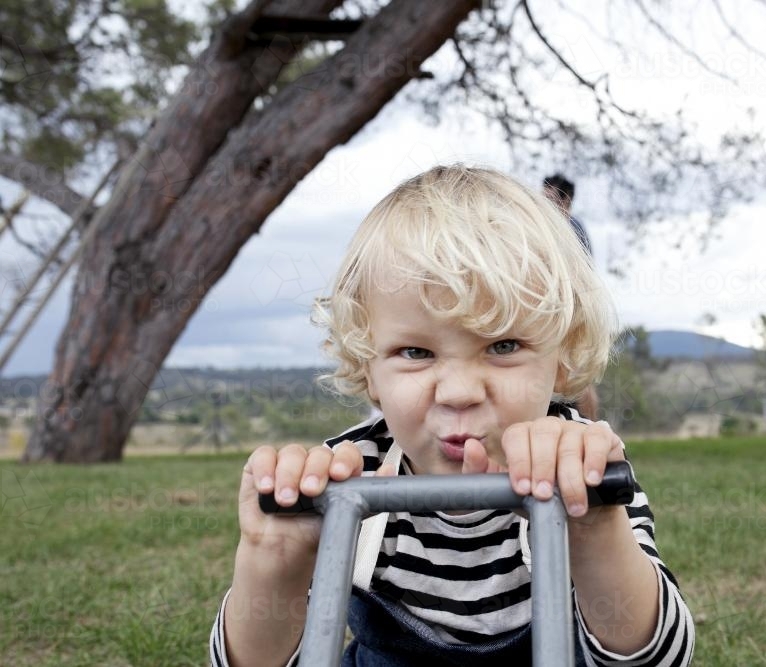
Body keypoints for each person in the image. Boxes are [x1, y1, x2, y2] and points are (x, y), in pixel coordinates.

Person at [210, 165, 694, 667]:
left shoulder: (585, 462)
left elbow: (656, 659)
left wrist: (595, 529)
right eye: (416, 352)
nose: (460, 392)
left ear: (562, 355)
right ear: (367, 368)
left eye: (503, 345)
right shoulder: (347, 475)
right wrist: (271, 565)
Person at [543, 172, 600, 421]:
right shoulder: (542, 227)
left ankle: (592, 430)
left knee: (575, 378)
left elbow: (582, 281)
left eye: (550, 199)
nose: (544, 203)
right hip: (546, 312)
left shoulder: (573, 231)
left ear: (566, 202)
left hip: (567, 313)